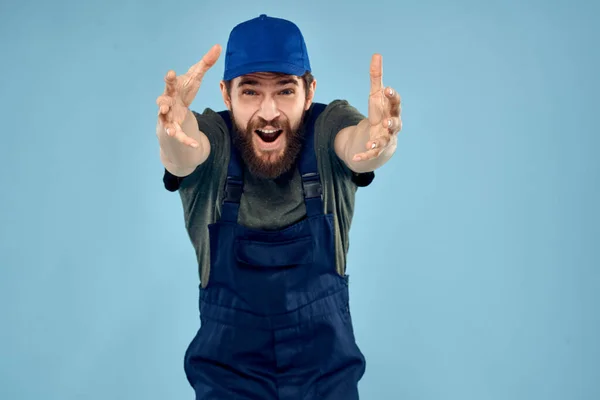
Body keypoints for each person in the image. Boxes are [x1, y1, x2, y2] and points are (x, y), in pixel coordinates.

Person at [155, 14, 402, 400]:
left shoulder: (327, 127)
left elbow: (359, 148)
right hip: (227, 378)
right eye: (250, 91)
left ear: (309, 91)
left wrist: (379, 142)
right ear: (225, 94)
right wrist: (170, 132)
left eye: (285, 91)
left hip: (326, 377)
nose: (268, 112)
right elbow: (185, 152)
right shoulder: (214, 140)